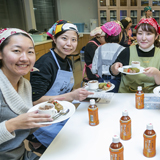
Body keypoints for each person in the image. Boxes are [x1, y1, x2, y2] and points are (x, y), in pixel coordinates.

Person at [29, 20, 93, 153]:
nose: (69, 44)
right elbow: (34, 100)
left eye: (73, 40)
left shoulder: (67, 60)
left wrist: (79, 92)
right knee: (76, 147)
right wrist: (70, 96)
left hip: (60, 113)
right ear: (54, 38)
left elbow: (64, 90)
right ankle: (37, 141)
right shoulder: (45, 63)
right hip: (43, 120)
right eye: (64, 38)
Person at [0, 28, 54, 160]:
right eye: (16, 51)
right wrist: (13, 124)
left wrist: (40, 118)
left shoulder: (25, 85)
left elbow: (23, 129)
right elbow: (16, 124)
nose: (24, 58)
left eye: (30, 52)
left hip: (21, 154)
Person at [110, 18, 160, 93]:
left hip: (151, 97)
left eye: (148, 34)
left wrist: (156, 73)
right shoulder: (127, 51)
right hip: (127, 96)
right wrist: (114, 68)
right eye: (140, 33)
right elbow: (113, 72)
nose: (143, 38)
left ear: (156, 36)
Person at [91, 21, 125, 92]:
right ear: (119, 35)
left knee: (102, 101)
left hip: (101, 82)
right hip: (117, 82)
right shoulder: (122, 50)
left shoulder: (99, 49)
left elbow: (94, 70)